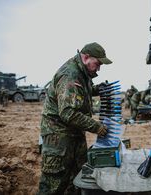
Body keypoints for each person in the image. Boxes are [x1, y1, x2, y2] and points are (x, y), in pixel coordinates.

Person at [37, 42, 112, 194]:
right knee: (54, 184)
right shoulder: (70, 75)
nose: (98, 69)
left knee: (77, 179)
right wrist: (97, 127)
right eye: (97, 64)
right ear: (86, 57)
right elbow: (67, 113)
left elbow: (83, 91)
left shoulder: (82, 73)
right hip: (58, 138)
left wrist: (98, 89)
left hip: (74, 134)